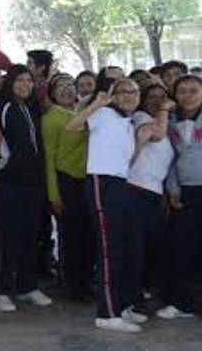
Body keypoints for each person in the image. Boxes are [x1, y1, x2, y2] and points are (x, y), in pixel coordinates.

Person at [67, 78, 169, 333]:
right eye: (123, 92)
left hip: (121, 183)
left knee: (122, 249)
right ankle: (107, 313)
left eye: (134, 93)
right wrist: (98, 103)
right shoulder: (103, 113)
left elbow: (128, 159)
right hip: (102, 183)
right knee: (108, 251)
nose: (129, 97)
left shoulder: (127, 123)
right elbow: (73, 126)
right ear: (112, 94)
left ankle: (122, 306)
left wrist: (141, 142)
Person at [0, 65, 51, 313]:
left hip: (34, 183)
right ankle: (2, 290)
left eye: (29, 80)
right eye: (20, 80)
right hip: (10, 183)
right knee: (9, 238)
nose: (25, 84)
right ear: (10, 82)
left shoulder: (30, 107)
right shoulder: (3, 107)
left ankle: (28, 287)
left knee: (30, 236)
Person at [125, 84, 174, 319]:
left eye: (162, 97)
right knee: (134, 249)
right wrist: (165, 108)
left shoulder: (165, 121)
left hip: (153, 193)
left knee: (150, 248)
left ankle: (141, 293)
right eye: (152, 97)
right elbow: (156, 135)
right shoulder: (141, 117)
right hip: (135, 189)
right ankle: (130, 300)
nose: (157, 101)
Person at [42, 73, 91, 303]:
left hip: (87, 180)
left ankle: (86, 281)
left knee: (86, 236)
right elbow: (49, 159)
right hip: (66, 181)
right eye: (60, 86)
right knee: (71, 237)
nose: (66, 89)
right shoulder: (52, 119)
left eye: (70, 85)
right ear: (52, 94)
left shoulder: (82, 112)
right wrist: (54, 195)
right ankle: (73, 286)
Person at [160, 74, 202, 319]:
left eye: (193, 90)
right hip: (185, 192)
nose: (188, 95)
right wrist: (173, 188)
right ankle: (182, 304)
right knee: (181, 248)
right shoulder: (170, 121)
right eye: (182, 91)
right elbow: (169, 158)